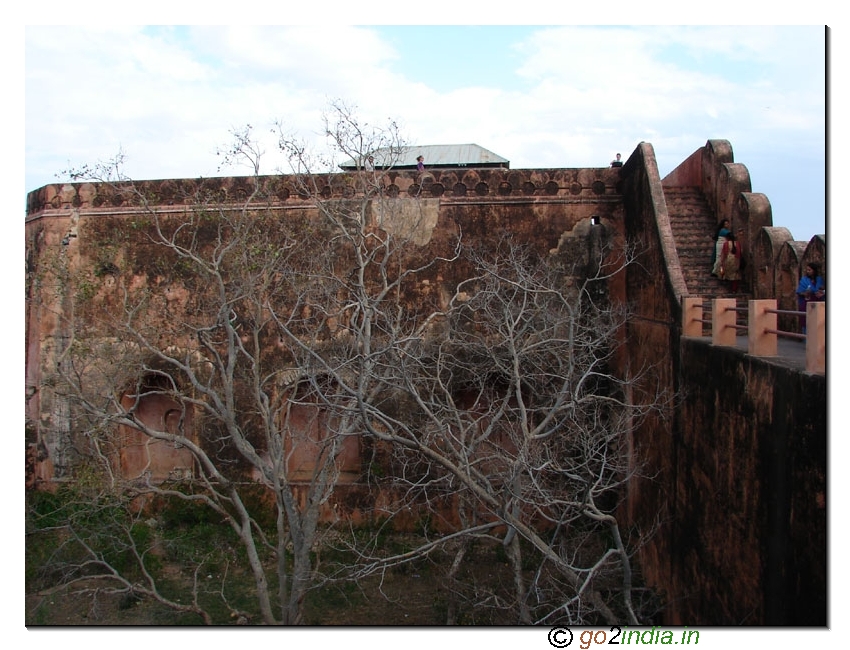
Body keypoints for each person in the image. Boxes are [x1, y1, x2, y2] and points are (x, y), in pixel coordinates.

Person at [796, 263, 825, 333]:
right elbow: (799, 291)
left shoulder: (819, 279)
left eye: (809, 270)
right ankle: (806, 341)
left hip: (817, 304)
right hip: (806, 304)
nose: (807, 271)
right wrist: (806, 293)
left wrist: (821, 291)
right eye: (807, 269)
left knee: (818, 324)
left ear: (814, 271)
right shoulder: (804, 280)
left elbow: (822, 289)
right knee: (806, 324)